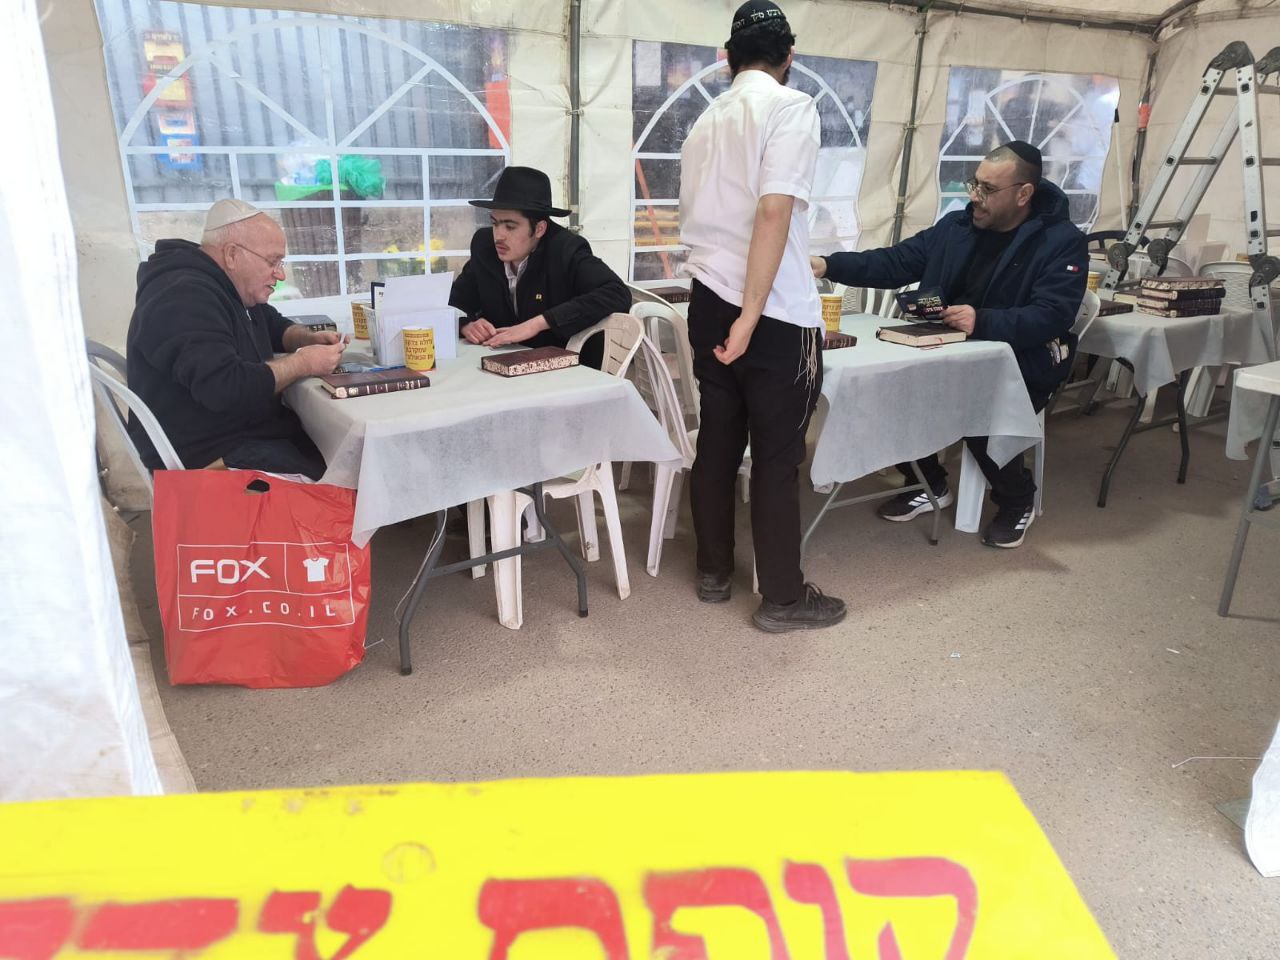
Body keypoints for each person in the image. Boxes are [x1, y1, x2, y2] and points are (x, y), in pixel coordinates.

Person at [813, 140, 1088, 548]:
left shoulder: (1061, 241)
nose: (974, 196)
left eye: (988, 189)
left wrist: (983, 320)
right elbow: (895, 262)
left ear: (1024, 194)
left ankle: (1017, 499)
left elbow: (1053, 314)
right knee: (887, 389)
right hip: (946, 345)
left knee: (980, 410)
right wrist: (829, 264)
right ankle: (930, 484)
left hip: (1021, 357)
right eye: (974, 183)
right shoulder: (957, 226)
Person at [679, 0, 846, 633]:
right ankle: (783, 598)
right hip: (770, 308)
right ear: (788, 57)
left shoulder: (705, 121)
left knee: (718, 439)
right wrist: (752, 315)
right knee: (777, 456)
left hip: (708, 298)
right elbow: (773, 212)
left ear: (728, 58)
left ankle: (714, 571)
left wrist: (734, 313)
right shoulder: (791, 107)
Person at [126, 198, 346, 480]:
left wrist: (306, 338)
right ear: (232, 254)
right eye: (273, 261)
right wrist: (303, 363)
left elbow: (269, 323)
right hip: (204, 457)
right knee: (344, 468)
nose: (280, 274)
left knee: (335, 449)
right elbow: (224, 386)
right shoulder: (182, 295)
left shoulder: (224, 283)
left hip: (234, 434)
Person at [449, 166, 630, 368]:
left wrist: (536, 324)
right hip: (501, 364)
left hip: (566, 369)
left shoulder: (565, 249)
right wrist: (465, 324)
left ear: (540, 229)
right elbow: (454, 302)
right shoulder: (484, 247)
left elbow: (617, 293)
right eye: (495, 223)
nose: (499, 235)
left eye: (510, 226)